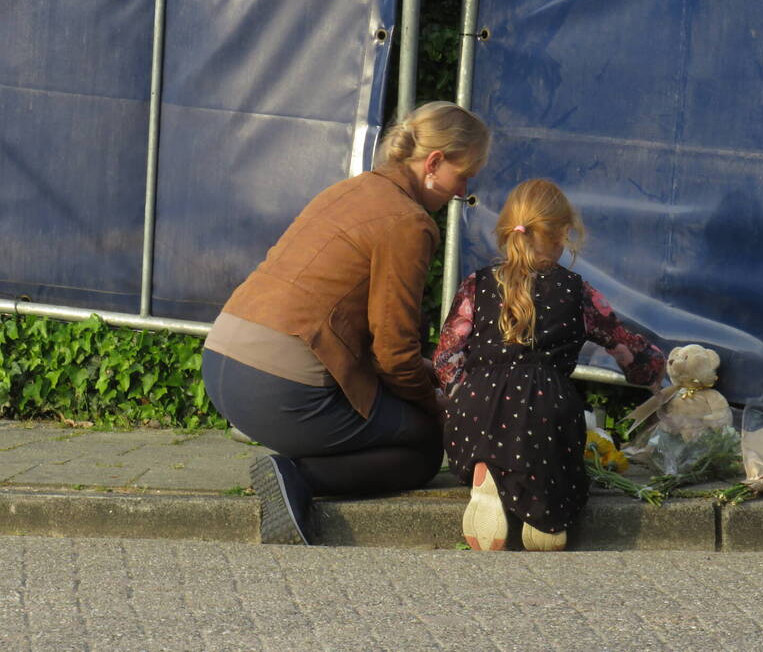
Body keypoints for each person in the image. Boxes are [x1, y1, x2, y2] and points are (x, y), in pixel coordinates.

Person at [202, 101, 490, 545]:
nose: (463, 190)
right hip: (280, 391)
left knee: (394, 412)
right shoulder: (409, 223)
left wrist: (424, 372)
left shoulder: (349, 190)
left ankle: (293, 463)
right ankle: (296, 475)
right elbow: (393, 354)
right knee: (423, 445)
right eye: (464, 174)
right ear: (433, 163)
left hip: (222, 364)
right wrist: (439, 406)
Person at [433, 179, 665, 551]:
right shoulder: (576, 290)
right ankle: (546, 514)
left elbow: (446, 358)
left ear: (508, 231)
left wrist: (468, 396)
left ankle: (487, 471)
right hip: (545, 411)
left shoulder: (477, 284)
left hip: (474, 415)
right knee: (552, 456)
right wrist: (652, 369)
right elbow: (625, 347)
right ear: (562, 235)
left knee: (489, 429)